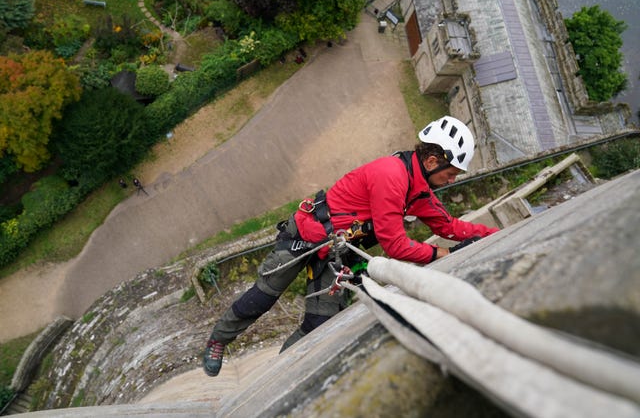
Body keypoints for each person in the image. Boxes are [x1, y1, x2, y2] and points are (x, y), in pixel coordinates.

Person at [202, 116, 499, 377]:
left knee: (319, 323)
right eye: (450, 173)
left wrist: (493, 234)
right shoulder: (391, 175)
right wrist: (444, 254)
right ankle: (218, 340)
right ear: (433, 161)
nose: (450, 180)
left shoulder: (419, 190)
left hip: (337, 250)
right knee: (262, 297)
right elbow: (395, 245)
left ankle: (280, 371)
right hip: (307, 235)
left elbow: (449, 226)